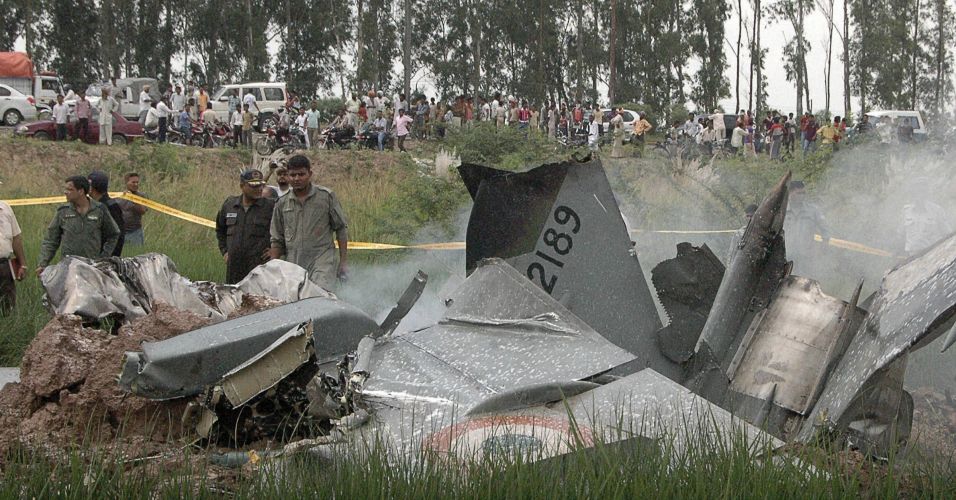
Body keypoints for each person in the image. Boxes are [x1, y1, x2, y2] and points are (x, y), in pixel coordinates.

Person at [269, 155, 349, 289]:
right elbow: (277, 239)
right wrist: (272, 267)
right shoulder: (282, 203)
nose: (297, 179)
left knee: (319, 297)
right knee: (297, 302)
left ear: (310, 174)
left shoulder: (326, 197)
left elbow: (341, 229)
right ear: (288, 176)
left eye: (301, 174)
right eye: (292, 175)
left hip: (322, 261)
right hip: (294, 265)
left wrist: (343, 262)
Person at [36, 176, 121, 276]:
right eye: (65, 189)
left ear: (81, 191)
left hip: (92, 269)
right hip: (68, 268)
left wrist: (103, 258)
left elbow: (114, 234)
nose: (65, 192)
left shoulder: (100, 210)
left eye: (70, 189)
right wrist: (43, 263)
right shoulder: (63, 211)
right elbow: (51, 240)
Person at [216, 170, 275, 284]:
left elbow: (284, 230)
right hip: (234, 267)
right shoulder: (230, 205)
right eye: (253, 186)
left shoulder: (270, 207)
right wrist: (225, 252)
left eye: (260, 185)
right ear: (242, 186)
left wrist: (276, 250)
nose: (259, 189)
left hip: (259, 268)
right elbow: (220, 229)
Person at [785, 180, 829, 276]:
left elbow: (825, 229)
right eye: (799, 193)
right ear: (790, 193)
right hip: (786, 257)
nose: (802, 196)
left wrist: (824, 245)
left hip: (806, 256)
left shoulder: (813, 210)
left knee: (805, 283)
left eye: (803, 193)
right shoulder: (782, 211)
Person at [87, 171, 125, 257]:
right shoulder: (92, 204)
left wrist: (110, 257)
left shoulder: (111, 206)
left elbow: (118, 234)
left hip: (106, 257)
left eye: (89, 184)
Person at [0, 200, 26, 314]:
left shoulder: (5, 208)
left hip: (4, 267)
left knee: (7, 308)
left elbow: (16, 238)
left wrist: (22, 264)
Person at [115, 172, 148, 246]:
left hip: (135, 232)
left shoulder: (142, 196)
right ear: (127, 182)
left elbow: (142, 211)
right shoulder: (119, 195)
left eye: (137, 182)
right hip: (120, 232)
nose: (136, 184)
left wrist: (133, 199)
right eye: (133, 182)